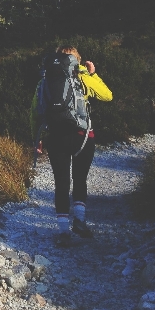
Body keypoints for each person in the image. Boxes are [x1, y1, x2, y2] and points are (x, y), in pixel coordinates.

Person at [30, 46, 112, 244]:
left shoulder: (44, 81)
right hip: (83, 137)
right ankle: (80, 222)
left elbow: (35, 111)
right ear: (77, 61)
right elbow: (107, 96)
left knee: (61, 183)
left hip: (56, 137)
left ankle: (63, 232)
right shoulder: (83, 78)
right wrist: (92, 74)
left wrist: (37, 138)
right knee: (80, 179)